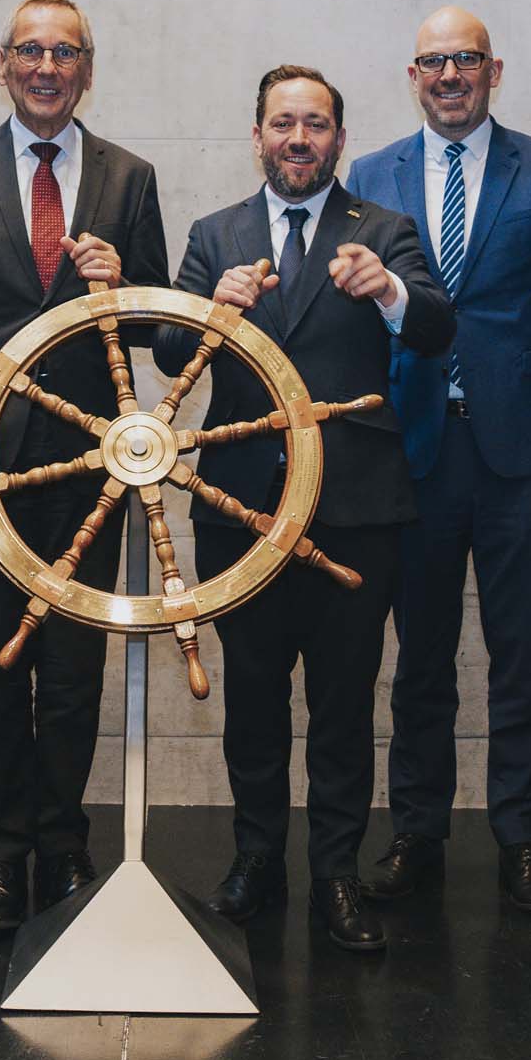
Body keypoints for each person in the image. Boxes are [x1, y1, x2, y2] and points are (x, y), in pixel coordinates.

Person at [161, 66, 452, 950]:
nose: (298, 138)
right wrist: (214, 310)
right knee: (252, 696)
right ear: (257, 135)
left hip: (354, 510)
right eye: (282, 123)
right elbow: (168, 349)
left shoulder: (385, 232)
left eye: (315, 124)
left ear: (339, 138)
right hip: (238, 508)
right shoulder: (217, 234)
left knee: (342, 702)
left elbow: (439, 328)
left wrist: (391, 293)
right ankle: (257, 860)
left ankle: (335, 873)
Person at [0, 0, 170, 934]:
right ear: (4, 64)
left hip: (98, 462)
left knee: (71, 666)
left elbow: (157, 330)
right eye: (30, 51)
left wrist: (122, 284)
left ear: (87, 69)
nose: (46, 67)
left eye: (64, 53)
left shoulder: (130, 176)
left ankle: (64, 845)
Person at [345, 6, 531, 911]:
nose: (449, 75)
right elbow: (357, 321)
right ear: (411, 75)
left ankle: (522, 840)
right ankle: (417, 831)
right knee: (418, 660)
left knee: (520, 657)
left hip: (522, 457)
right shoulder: (371, 173)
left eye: (466, 60)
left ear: (493, 71)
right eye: (432, 62)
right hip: (411, 453)